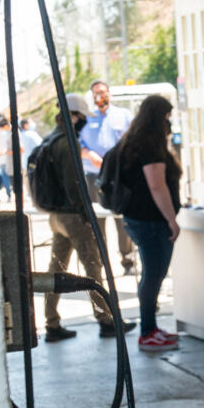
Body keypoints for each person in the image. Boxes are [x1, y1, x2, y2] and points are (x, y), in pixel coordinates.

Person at [39, 94, 137, 342]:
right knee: (93, 267)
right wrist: (85, 214)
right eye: (81, 117)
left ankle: (51, 323)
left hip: (56, 215)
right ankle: (106, 320)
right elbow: (75, 184)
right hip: (73, 216)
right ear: (73, 116)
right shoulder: (67, 142)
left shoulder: (51, 139)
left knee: (56, 269)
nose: (83, 122)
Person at [115, 95, 181, 352]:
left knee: (151, 275)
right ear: (159, 117)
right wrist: (171, 220)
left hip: (137, 219)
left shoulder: (132, 141)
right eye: (166, 116)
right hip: (151, 221)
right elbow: (157, 185)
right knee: (153, 275)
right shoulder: (149, 145)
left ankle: (150, 328)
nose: (169, 122)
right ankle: (147, 332)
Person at [80, 79, 137, 273]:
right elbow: (77, 144)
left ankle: (127, 258)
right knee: (98, 220)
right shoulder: (86, 118)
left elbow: (134, 140)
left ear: (109, 93)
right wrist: (89, 154)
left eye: (103, 92)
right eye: (96, 93)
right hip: (94, 176)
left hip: (119, 176)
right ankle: (102, 261)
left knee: (121, 217)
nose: (100, 96)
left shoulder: (124, 115)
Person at [0, 115, 15, 202]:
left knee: (5, 177)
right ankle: (12, 194)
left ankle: (9, 195)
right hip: (7, 156)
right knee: (9, 177)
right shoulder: (7, 131)